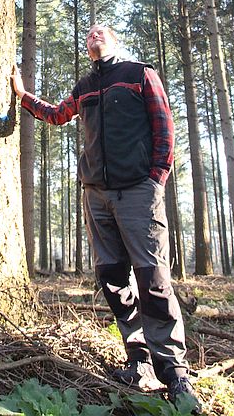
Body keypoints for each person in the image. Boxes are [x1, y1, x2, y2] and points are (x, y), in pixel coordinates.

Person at [11, 25, 202, 414]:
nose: (92, 35)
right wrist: (23, 96)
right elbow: (57, 115)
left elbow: (164, 127)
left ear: (113, 41)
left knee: (153, 278)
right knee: (113, 278)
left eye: (100, 32)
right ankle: (139, 358)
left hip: (138, 191)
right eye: (88, 34)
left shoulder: (139, 74)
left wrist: (155, 180)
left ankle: (174, 371)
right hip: (95, 194)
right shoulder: (85, 86)